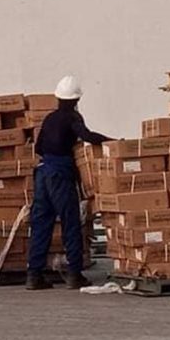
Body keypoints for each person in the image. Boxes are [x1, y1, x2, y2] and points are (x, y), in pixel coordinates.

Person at [26, 76, 113, 291]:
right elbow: (87, 136)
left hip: (43, 174)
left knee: (41, 225)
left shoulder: (49, 118)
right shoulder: (73, 117)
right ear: (77, 99)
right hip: (60, 174)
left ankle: (34, 275)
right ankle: (74, 273)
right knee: (70, 222)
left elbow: (38, 148)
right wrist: (111, 142)